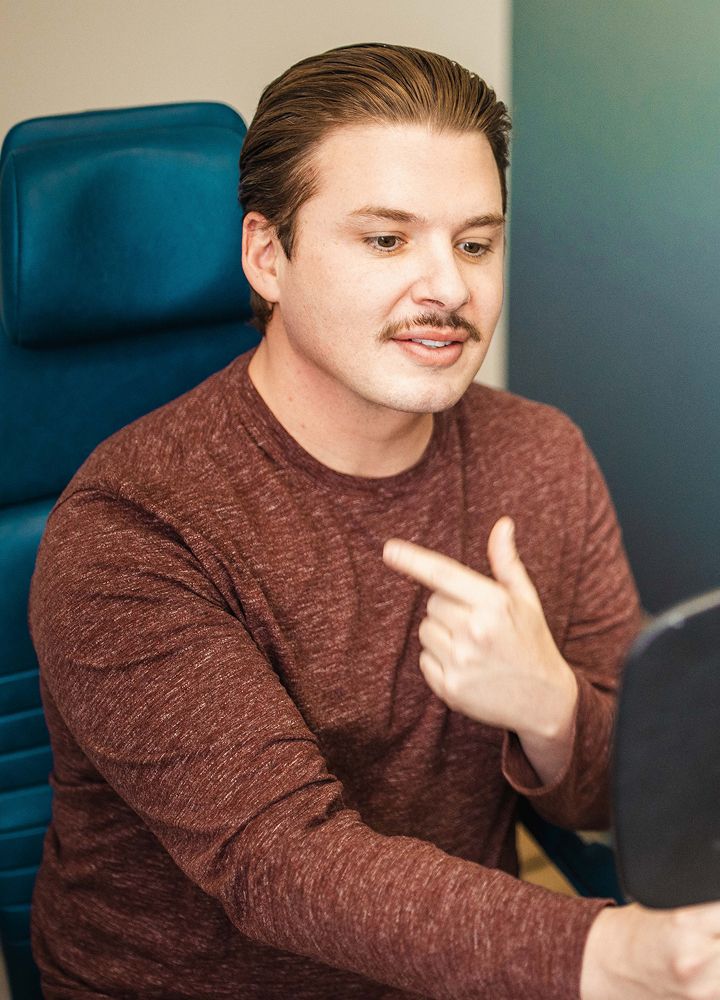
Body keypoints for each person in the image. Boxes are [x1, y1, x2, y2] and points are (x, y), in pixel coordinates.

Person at [28, 42, 720, 1000]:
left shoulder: (541, 455)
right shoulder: (134, 525)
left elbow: (613, 792)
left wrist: (551, 708)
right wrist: (605, 958)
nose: (448, 288)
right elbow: (278, 862)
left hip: (456, 973)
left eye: (475, 243)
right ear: (267, 255)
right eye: (387, 240)